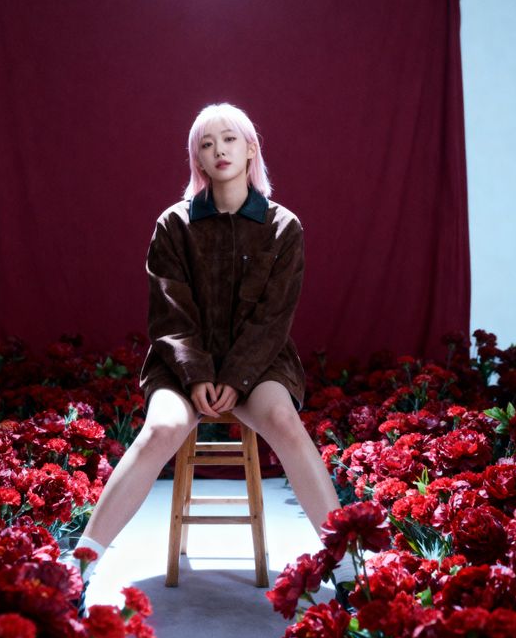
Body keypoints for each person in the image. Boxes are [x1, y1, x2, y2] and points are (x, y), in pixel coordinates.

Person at [68, 102, 355, 594]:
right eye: (206, 143)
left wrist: (236, 378)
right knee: (161, 428)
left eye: (229, 139)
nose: (219, 149)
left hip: (259, 364)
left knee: (284, 421)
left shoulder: (284, 228)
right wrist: (199, 374)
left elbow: (273, 319)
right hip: (182, 367)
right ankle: (79, 567)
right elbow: (170, 313)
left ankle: (349, 568)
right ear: (197, 161)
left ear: (250, 150)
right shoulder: (173, 226)